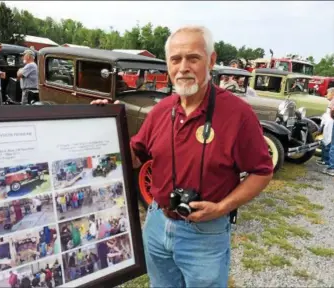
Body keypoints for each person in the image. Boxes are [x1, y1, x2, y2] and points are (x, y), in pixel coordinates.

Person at [91, 25, 273, 287]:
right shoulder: (160, 111)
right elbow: (134, 159)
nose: (183, 67)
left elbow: (262, 171)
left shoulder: (237, 115)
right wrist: (106, 128)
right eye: (176, 59)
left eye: (193, 58)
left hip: (206, 231)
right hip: (156, 222)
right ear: (168, 64)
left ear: (211, 60)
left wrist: (222, 208)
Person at [317, 87, 334, 176]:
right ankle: (326, 161)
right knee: (327, 143)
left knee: (332, 146)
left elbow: (332, 112)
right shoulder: (331, 102)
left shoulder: (333, 102)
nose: (326, 95)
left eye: (328, 93)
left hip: (331, 123)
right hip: (329, 123)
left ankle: (332, 167)